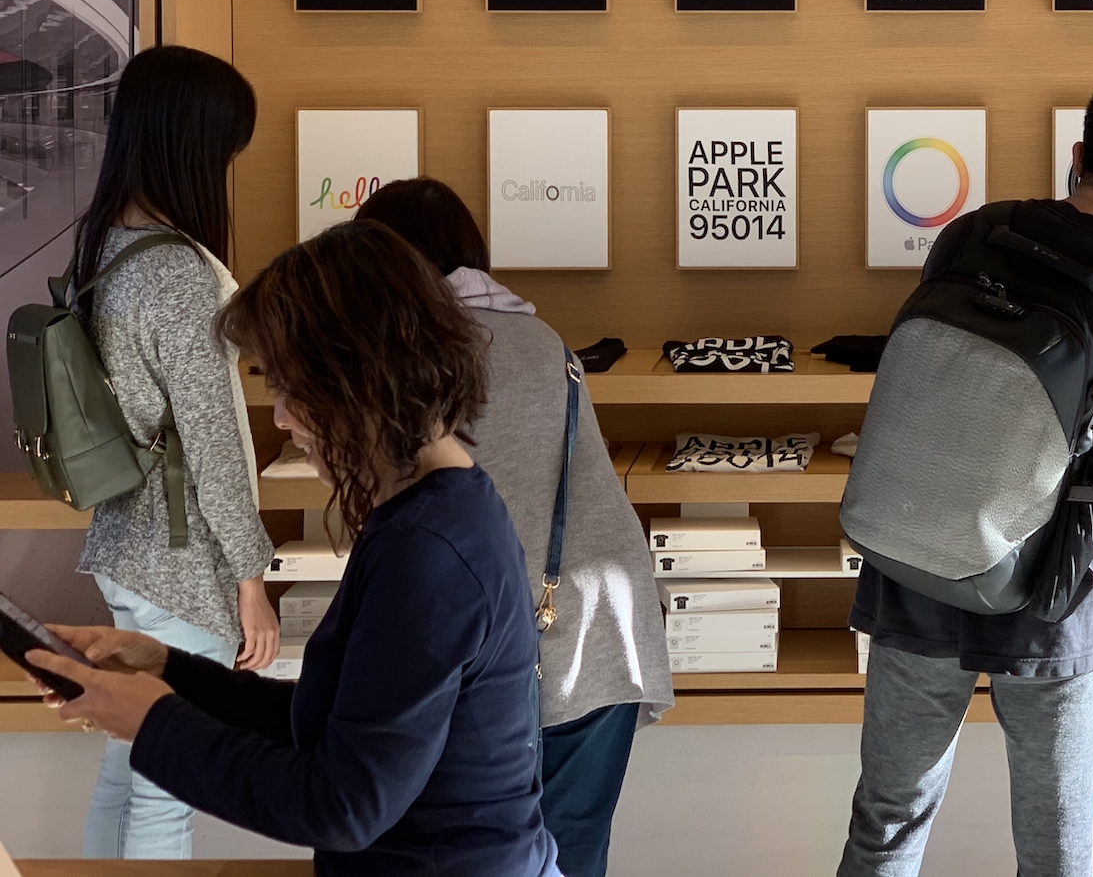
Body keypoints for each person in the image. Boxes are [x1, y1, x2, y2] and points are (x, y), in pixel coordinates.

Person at [31, 220, 559, 875]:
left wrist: (157, 723)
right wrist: (165, 669)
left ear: (357, 374)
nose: (280, 416)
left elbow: (343, 805)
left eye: (288, 387)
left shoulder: (428, 551)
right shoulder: (436, 512)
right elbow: (336, 723)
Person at [841, 64, 1093, 877]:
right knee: (1054, 844)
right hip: (1054, 592)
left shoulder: (972, 235)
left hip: (916, 556)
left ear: (1079, 153)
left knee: (888, 818)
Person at [354, 175, 673, 877]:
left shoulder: (408, 353)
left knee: (477, 852)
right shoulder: (543, 337)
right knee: (572, 849)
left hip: (504, 639)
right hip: (605, 621)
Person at [68, 44, 275, 859]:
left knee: (126, 767)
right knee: (168, 791)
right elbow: (215, 446)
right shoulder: (178, 274)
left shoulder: (102, 251)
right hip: (180, 563)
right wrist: (252, 581)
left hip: (126, 545)